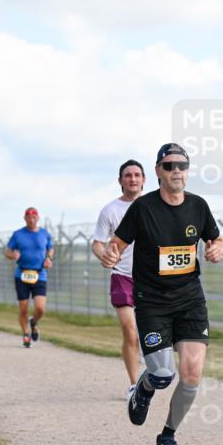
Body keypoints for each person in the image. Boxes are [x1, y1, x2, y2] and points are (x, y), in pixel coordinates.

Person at [102, 143, 223, 445]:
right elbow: (116, 243)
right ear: (157, 171)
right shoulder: (143, 208)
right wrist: (110, 253)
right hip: (152, 301)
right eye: (169, 166)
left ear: (188, 170)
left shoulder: (198, 206)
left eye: (182, 166)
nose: (176, 171)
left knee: (192, 373)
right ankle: (144, 388)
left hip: (190, 300)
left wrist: (216, 248)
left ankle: (167, 437)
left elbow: (215, 238)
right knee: (162, 374)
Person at [92, 159, 146, 399]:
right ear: (120, 181)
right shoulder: (110, 210)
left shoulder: (154, 206)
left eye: (136, 175)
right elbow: (97, 242)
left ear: (144, 179)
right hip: (122, 276)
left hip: (151, 279)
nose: (132, 179)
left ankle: (147, 352)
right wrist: (104, 255)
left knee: (149, 330)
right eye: (127, 175)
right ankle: (135, 384)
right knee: (129, 330)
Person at [5, 207, 53, 347]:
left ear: (38, 218)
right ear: (25, 218)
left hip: (39, 274)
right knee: (23, 308)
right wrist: (13, 255)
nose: (31, 220)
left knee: (40, 308)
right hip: (22, 274)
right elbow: (8, 252)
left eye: (34, 217)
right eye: (29, 217)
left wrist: (48, 258)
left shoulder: (44, 233)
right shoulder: (18, 234)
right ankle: (26, 334)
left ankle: (34, 322)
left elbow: (50, 248)